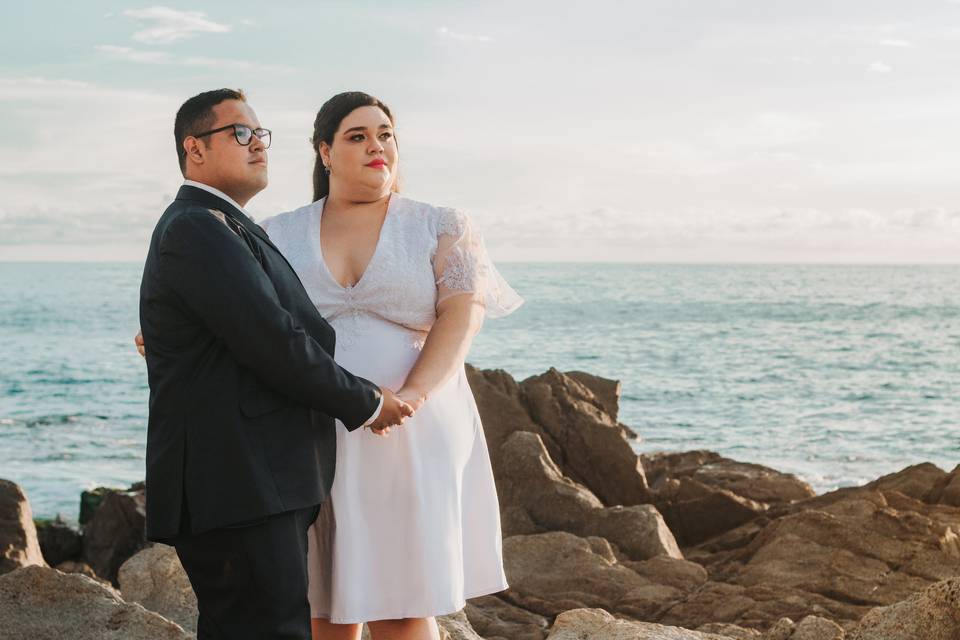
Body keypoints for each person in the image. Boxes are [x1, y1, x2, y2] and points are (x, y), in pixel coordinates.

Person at [138, 88, 413, 640]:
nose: (258, 144)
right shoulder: (196, 228)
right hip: (237, 487)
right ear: (194, 148)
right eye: (241, 133)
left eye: (261, 134)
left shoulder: (225, 225)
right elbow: (274, 342)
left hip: (253, 486)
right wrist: (366, 403)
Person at [259, 91, 523, 640]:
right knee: (322, 601)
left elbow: (462, 316)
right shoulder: (277, 233)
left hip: (411, 424)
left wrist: (412, 396)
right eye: (358, 136)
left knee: (400, 603)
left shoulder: (439, 224)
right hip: (312, 428)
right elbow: (244, 318)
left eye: (385, 134)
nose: (377, 146)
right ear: (324, 152)